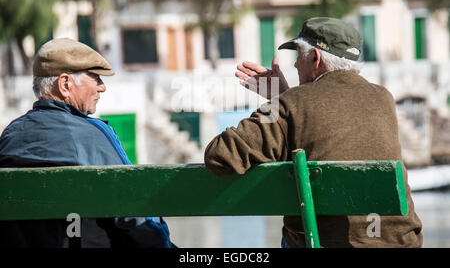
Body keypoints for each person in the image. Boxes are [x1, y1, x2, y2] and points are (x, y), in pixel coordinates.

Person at [204, 17, 423, 248]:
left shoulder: (291, 103)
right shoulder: (383, 98)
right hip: (402, 243)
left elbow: (220, 155)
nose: (296, 65)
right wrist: (286, 98)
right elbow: (322, 117)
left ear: (316, 58)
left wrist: (281, 100)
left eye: (299, 55)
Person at [0, 38, 175, 248]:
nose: (102, 88)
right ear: (65, 84)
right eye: (96, 78)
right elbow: (134, 210)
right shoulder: (93, 136)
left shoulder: (10, 135)